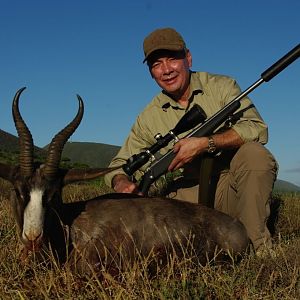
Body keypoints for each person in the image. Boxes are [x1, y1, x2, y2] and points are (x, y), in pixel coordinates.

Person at [104, 27, 278, 255]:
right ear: (150, 73)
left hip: (233, 186)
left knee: (255, 154)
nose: (166, 70)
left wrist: (206, 143)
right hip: (190, 194)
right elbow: (119, 165)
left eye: (172, 59)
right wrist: (121, 183)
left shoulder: (221, 87)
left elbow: (256, 128)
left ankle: (258, 250)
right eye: (156, 64)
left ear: (188, 58)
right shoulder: (149, 116)